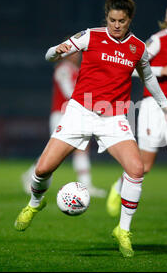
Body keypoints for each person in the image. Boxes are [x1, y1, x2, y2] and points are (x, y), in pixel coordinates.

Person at [14, 0, 167, 258]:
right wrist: (54, 52)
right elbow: (52, 53)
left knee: (136, 170)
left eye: (122, 21)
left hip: (114, 117)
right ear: (107, 18)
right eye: (112, 20)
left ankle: (123, 230)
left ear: (130, 20)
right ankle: (35, 202)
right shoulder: (90, 36)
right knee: (42, 170)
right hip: (80, 112)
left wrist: (165, 104)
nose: (116, 25)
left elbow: (148, 76)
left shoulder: (138, 48)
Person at [106, 2, 167, 236]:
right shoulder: (158, 40)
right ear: (166, 18)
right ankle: (117, 188)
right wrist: (162, 71)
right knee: (144, 166)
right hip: (155, 107)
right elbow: (131, 67)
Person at [21, 51, 106, 198]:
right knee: (55, 152)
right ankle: (31, 175)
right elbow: (69, 92)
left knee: (81, 148)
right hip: (61, 114)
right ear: (66, 54)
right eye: (73, 52)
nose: (77, 55)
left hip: (75, 114)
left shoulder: (76, 70)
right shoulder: (63, 69)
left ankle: (86, 185)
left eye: (78, 53)